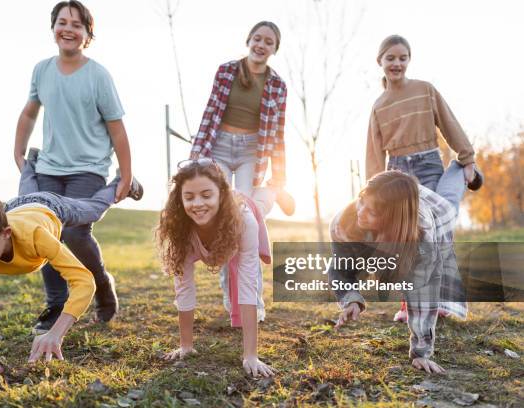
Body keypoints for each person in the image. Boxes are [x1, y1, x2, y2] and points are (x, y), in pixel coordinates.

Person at [0, 152, 141, 379]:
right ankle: (32, 162)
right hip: (16, 207)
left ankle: (122, 183)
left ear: (6, 234)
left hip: (50, 207)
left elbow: (83, 281)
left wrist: (56, 333)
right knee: (27, 192)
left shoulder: (36, 236)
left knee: (93, 209)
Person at [13, 1, 134, 332]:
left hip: (89, 168)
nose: (68, 28)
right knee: (44, 231)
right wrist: (19, 149)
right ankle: (55, 305)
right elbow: (29, 111)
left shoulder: (98, 76)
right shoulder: (42, 70)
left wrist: (126, 173)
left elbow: (117, 128)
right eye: (62, 22)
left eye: (77, 24)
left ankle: (102, 286)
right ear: (53, 29)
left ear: (87, 34)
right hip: (50, 167)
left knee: (75, 233)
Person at [366, 34, 483, 322]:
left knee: (433, 233)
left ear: (409, 60)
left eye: (402, 58)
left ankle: (441, 302)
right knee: (407, 237)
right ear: (380, 62)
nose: (397, 63)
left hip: (429, 164)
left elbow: (448, 122)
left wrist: (466, 157)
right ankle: (409, 305)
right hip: (398, 172)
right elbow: (373, 151)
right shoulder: (379, 105)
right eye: (390, 58)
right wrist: (373, 191)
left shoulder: (424, 90)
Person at [190, 21, 294, 321]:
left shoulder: (278, 86)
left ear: (275, 49)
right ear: (248, 40)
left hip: (252, 153)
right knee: (222, 215)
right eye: (258, 39)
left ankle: (252, 302)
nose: (262, 45)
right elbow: (209, 114)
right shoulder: (226, 71)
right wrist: (196, 156)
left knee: (243, 220)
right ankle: (231, 294)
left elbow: (278, 132)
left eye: (269, 42)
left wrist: (279, 177)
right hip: (219, 146)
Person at [329, 162, 470, 373]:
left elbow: (422, 293)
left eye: (372, 211)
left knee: (450, 201)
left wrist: (421, 353)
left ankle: (461, 167)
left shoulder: (423, 240)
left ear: (390, 219)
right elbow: (340, 266)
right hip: (402, 198)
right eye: (361, 201)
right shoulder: (344, 222)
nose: (360, 211)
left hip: (437, 212)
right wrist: (351, 298)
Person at [156, 159, 276, 377]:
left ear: (221, 194)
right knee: (228, 291)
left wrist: (250, 355)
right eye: (189, 197)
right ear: (179, 198)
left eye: (206, 195)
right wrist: (186, 345)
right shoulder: (180, 228)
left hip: (241, 219)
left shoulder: (244, 221)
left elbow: (247, 283)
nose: (197, 204)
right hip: (216, 242)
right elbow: (184, 288)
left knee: (261, 205)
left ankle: (272, 191)